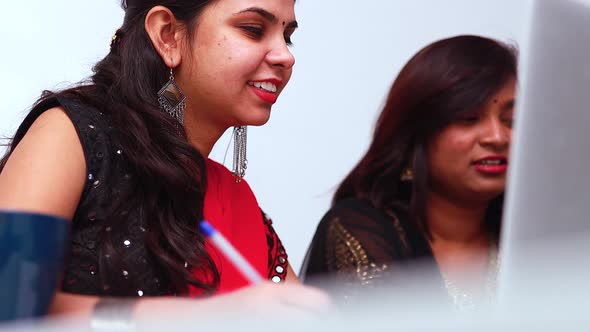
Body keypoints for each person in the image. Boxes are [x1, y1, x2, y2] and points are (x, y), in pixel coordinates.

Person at [0, 0, 329, 324]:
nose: (286, 56)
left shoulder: (237, 200)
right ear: (168, 35)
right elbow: (9, 305)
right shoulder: (70, 136)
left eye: (287, 36)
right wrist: (203, 317)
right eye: (253, 30)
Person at [301, 35, 517, 311]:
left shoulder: (540, 238)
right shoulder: (360, 230)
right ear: (416, 133)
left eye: (512, 120)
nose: (497, 137)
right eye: (469, 119)